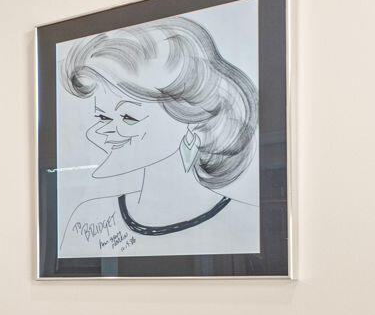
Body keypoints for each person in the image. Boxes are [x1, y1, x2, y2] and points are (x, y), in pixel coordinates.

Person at [57, 16, 259, 258]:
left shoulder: (247, 221)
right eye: (103, 117)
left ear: (192, 120)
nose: (101, 132)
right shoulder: (88, 218)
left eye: (128, 117)